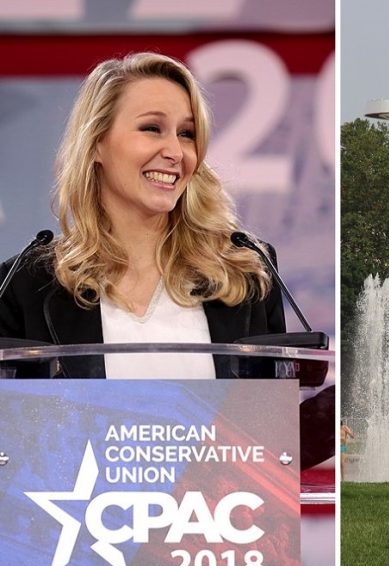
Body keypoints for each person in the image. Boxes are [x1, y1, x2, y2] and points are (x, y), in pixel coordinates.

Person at [0, 52, 282, 378]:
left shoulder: (244, 271)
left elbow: (271, 416)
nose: (175, 152)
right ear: (96, 144)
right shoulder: (25, 286)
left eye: (187, 134)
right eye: (152, 128)